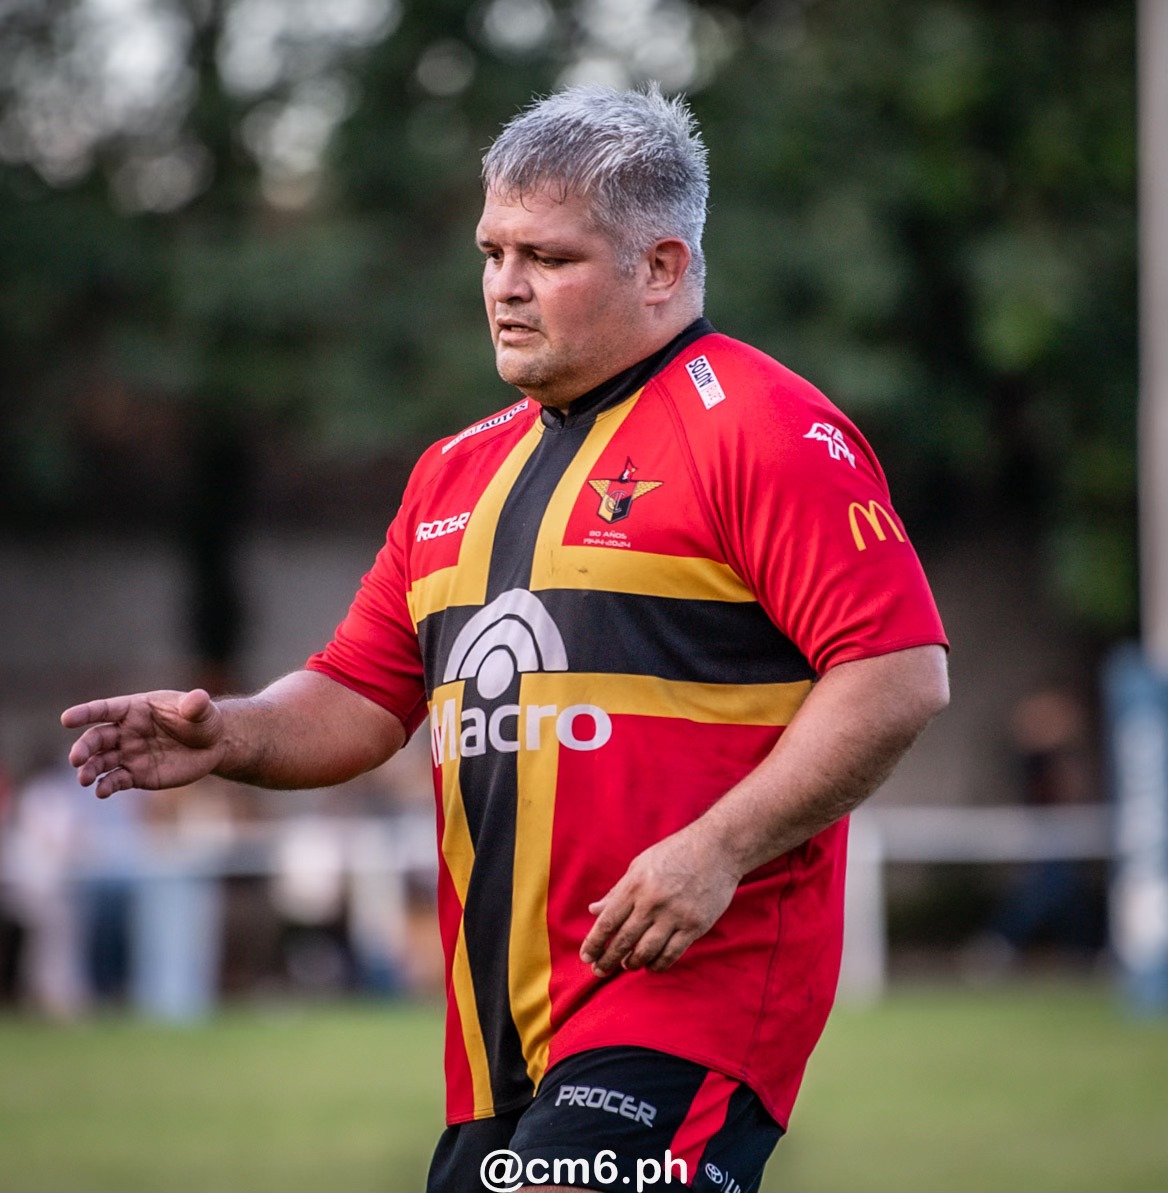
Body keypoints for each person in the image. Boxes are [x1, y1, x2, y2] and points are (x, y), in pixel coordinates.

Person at [62, 86, 949, 1192]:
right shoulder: (454, 470)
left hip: (684, 1005)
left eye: (548, 257)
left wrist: (715, 849)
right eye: (492, 252)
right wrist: (229, 734)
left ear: (662, 266)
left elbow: (896, 671)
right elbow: (360, 695)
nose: (504, 286)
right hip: (497, 1041)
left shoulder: (764, 430)